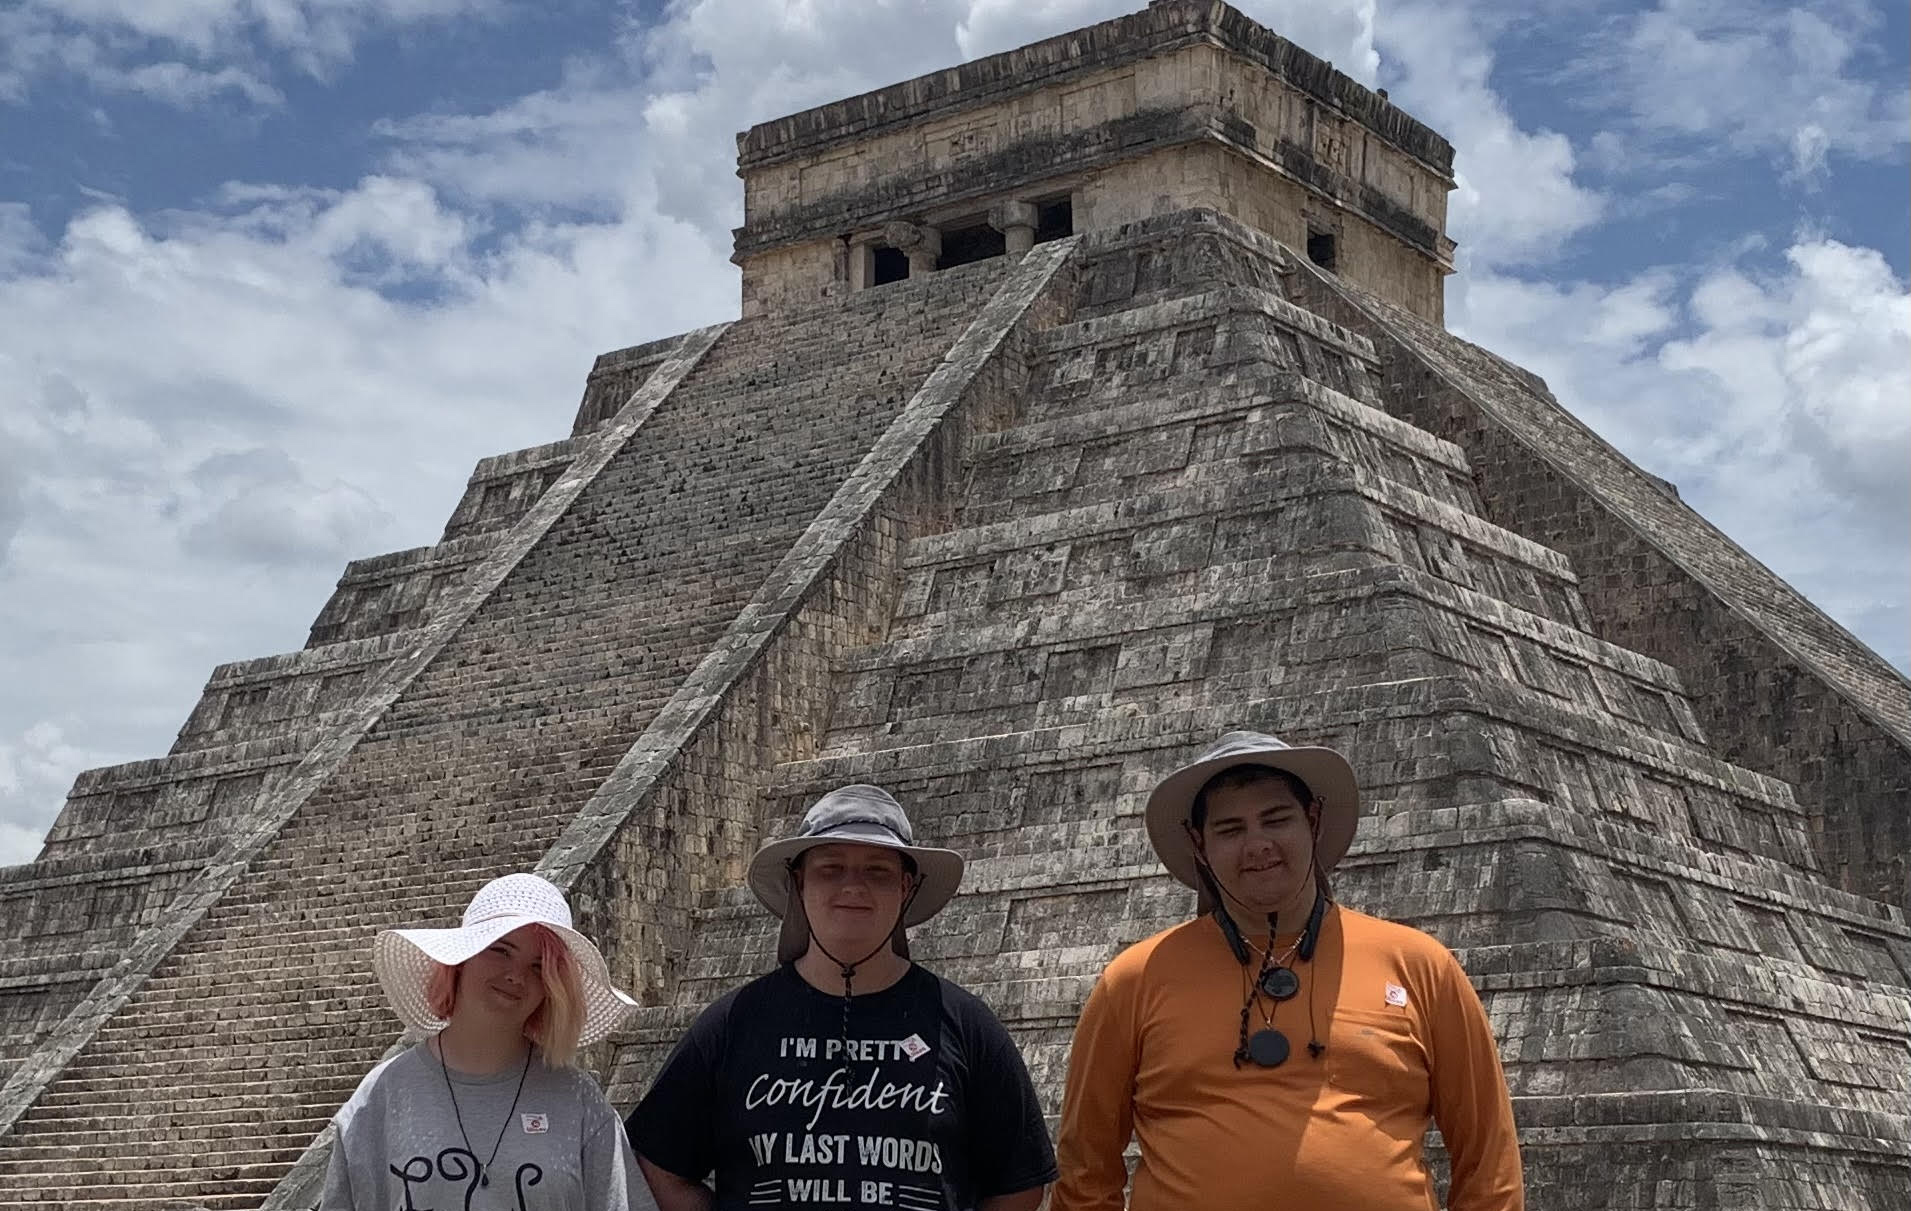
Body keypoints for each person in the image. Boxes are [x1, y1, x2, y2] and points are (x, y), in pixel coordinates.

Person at [1052, 731, 1524, 1211]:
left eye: (1276, 819)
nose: (1257, 845)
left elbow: (1489, 1156)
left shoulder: (1419, 967)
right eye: (1230, 829)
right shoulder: (1135, 980)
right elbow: (1085, 1168)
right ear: (1199, 843)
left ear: (1313, 821)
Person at [626, 784, 1057, 1211]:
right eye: (831, 868)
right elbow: (656, 1164)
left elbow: (1018, 1182)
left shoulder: (967, 1026)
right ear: (799, 882)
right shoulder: (731, 1024)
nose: (853, 887)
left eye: (877, 871)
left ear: (907, 887)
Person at [324, 872, 655, 1210]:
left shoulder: (580, 1103)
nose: (516, 975)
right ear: (460, 960)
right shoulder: (381, 1096)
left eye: (539, 967)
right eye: (500, 950)